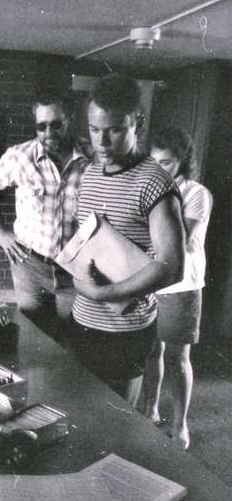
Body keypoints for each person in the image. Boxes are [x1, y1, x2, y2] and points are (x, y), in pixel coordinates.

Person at [68, 74, 185, 405]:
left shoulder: (155, 183)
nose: (102, 142)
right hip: (82, 318)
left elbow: (172, 267)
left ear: (139, 124)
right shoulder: (89, 175)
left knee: (117, 427)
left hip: (126, 330)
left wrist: (105, 292)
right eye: (94, 130)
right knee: (84, 415)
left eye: (115, 130)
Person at [0, 93, 89, 338]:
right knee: (35, 339)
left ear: (69, 120)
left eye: (56, 124)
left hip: (76, 269)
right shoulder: (20, 157)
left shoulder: (93, 158)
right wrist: (0, 232)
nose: (49, 133)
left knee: (75, 340)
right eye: (41, 126)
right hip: (30, 266)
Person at [143, 126, 213, 449]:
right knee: (150, 351)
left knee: (177, 358)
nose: (159, 169)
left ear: (183, 162)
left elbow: (176, 243)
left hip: (181, 286)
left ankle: (180, 424)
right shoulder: (152, 190)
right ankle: (151, 409)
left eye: (167, 163)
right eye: (154, 161)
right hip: (150, 282)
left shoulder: (196, 193)